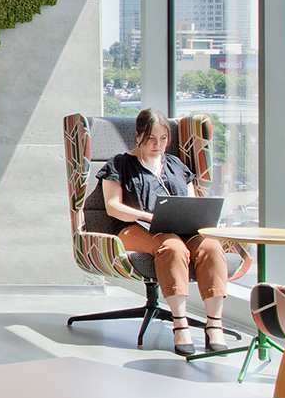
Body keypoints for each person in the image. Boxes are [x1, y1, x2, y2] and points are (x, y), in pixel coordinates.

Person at [100, 108, 233, 357]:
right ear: (138, 136)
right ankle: (180, 323)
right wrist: (148, 216)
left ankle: (214, 324)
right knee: (172, 247)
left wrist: (196, 220)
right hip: (135, 229)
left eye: (163, 139)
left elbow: (192, 203)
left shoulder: (175, 165)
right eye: (151, 139)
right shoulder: (120, 164)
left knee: (211, 246)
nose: (158, 145)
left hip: (180, 228)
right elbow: (113, 207)